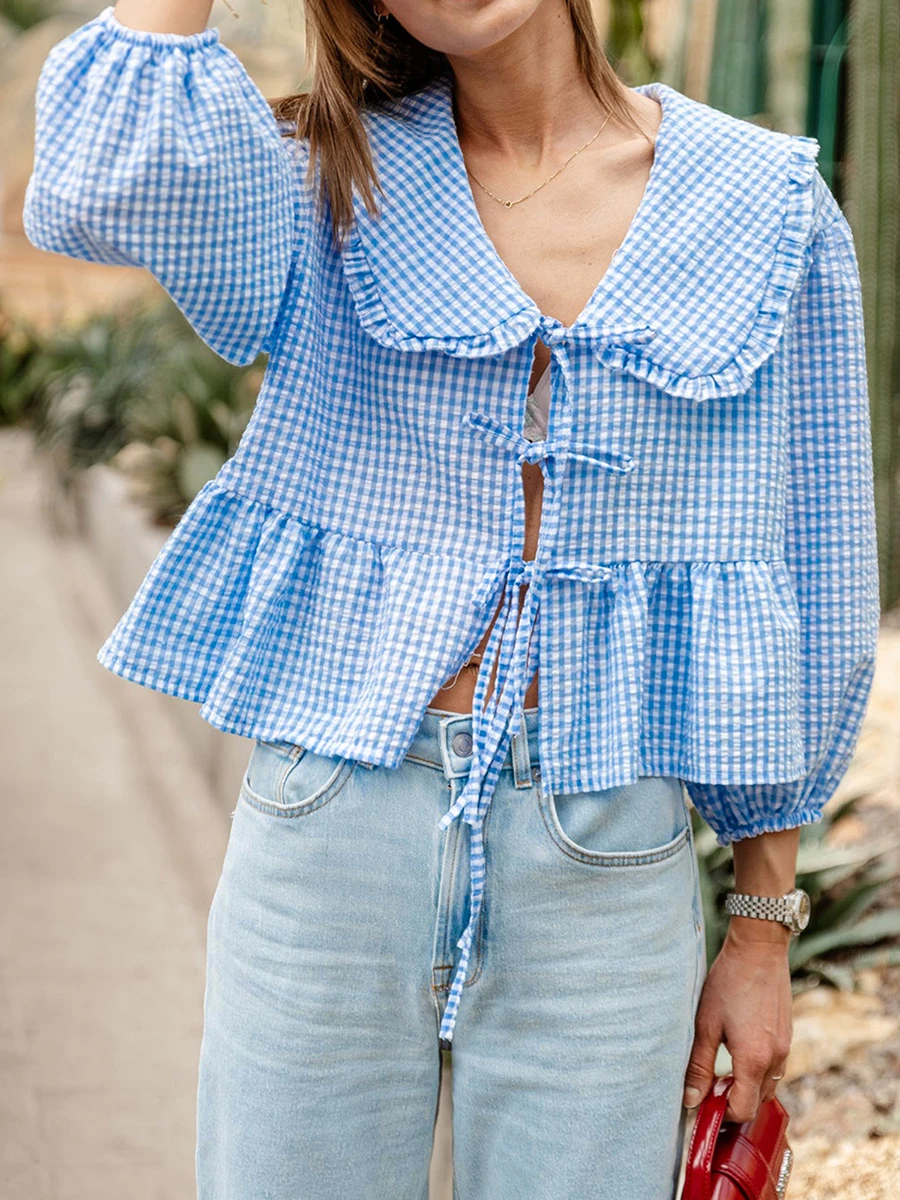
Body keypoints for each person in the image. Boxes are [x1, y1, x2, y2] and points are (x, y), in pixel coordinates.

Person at [24, 1, 880, 1197]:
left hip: (606, 854)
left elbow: (820, 575)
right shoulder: (318, 184)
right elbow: (96, 185)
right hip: (333, 830)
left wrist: (761, 926)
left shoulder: (769, 206)